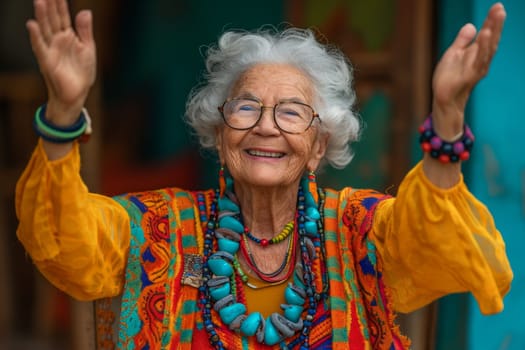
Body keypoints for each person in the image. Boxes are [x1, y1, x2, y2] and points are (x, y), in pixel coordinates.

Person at [16, 0, 513, 349]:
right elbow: (65, 236)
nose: (266, 126)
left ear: (318, 148)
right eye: (246, 107)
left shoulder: (361, 231)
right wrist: (62, 113)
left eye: (292, 113)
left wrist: (447, 114)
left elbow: (434, 239)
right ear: (218, 134)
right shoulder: (157, 229)